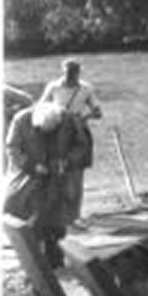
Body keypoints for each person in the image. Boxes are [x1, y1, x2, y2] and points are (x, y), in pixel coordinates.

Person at [4, 100, 83, 268]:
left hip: (58, 178)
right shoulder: (21, 120)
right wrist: (31, 165)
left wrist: (67, 161)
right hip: (30, 178)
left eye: (53, 131)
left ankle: (56, 261)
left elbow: (81, 145)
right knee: (29, 218)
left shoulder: (68, 120)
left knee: (57, 221)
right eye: (43, 131)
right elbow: (12, 148)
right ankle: (32, 263)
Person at [38, 59, 100, 222]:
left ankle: (75, 215)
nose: (70, 76)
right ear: (63, 71)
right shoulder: (54, 86)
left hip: (78, 134)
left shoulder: (86, 88)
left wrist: (84, 118)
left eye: (73, 72)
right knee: (56, 173)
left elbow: (98, 112)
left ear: (79, 73)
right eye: (67, 72)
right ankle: (59, 215)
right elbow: (40, 107)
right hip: (56, 133)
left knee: (76, 175)